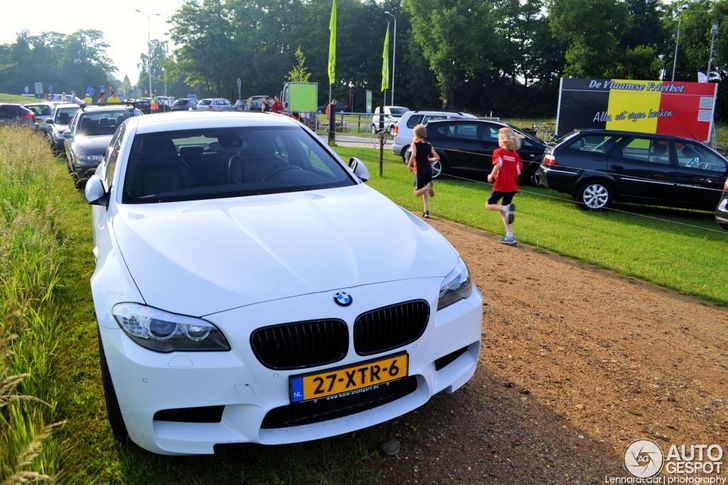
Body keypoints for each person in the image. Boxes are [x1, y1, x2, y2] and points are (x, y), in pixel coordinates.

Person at [486, 127, 523, 246]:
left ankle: (506, 209)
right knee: (504, 212)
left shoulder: (498, 152)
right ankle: (510, 236)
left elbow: (499, 164)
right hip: (512, 187)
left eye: (499, 138)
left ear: (502, 139)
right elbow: (518, 172)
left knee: (489, 205)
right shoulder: (515, 155)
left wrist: (491, 175)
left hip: (501, 184)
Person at [406, 124, 439, 218]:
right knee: (424, 194)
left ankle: (428, 187)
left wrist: (408, 165)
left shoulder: (414, 144)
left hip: (420, 170)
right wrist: (429, 159)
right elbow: (437, 157)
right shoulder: (429, 145)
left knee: (416, 193)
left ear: (416, 135)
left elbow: (413, 155)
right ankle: (426, 211)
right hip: (428, 169)